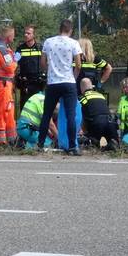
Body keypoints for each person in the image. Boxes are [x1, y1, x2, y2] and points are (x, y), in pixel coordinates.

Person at [37, 19, 83, 155]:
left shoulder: (48, 42)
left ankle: (40, 144)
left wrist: (49, 72)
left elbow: (43, 62)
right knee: (70, 115)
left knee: (47, 114)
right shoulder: (74, 43)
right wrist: (73, 77)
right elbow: (78, 65)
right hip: (68, 82)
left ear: (60, 29)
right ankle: (72, 147)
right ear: (71, 30)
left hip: (53, 82)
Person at [78, 78, 119, 150]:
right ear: (91, 86)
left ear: (81, 88)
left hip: (97, 124)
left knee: (91, 144)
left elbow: (82, 114)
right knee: (115, 143)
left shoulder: (82, 98)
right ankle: (112, 143)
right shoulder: (100, 95)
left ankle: (95, 143)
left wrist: (82, 130)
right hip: (110, 123)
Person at [14, 25, 44, 110]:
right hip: (25, 82)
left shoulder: (40, 48)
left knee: (39, 106)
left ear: (33, 35)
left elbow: (45, 63)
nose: (26, 35)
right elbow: (14, 63)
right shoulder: (20, 49)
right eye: (25, 33)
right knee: (24, 106)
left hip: (37, 82)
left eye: (28, 33)